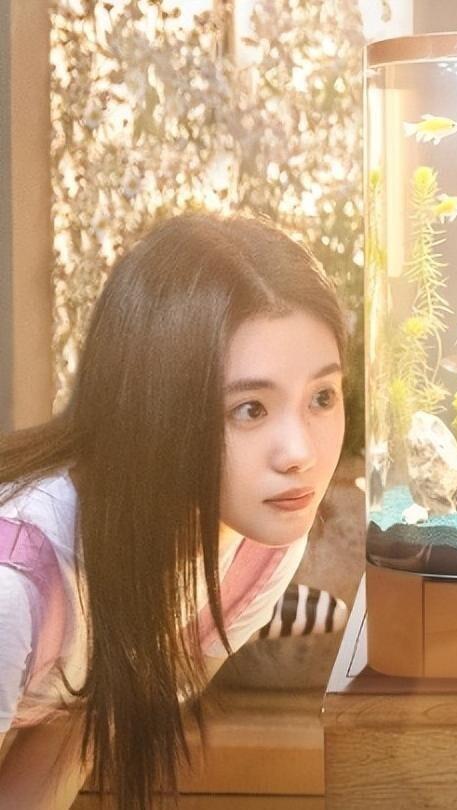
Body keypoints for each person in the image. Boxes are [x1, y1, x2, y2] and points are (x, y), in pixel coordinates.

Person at [0, 214, 347, 809]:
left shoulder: (258, 553)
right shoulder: (17, 589)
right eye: (250, 409)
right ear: (153, 407)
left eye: (322, 397)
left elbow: (73, 728)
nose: (301, 454)